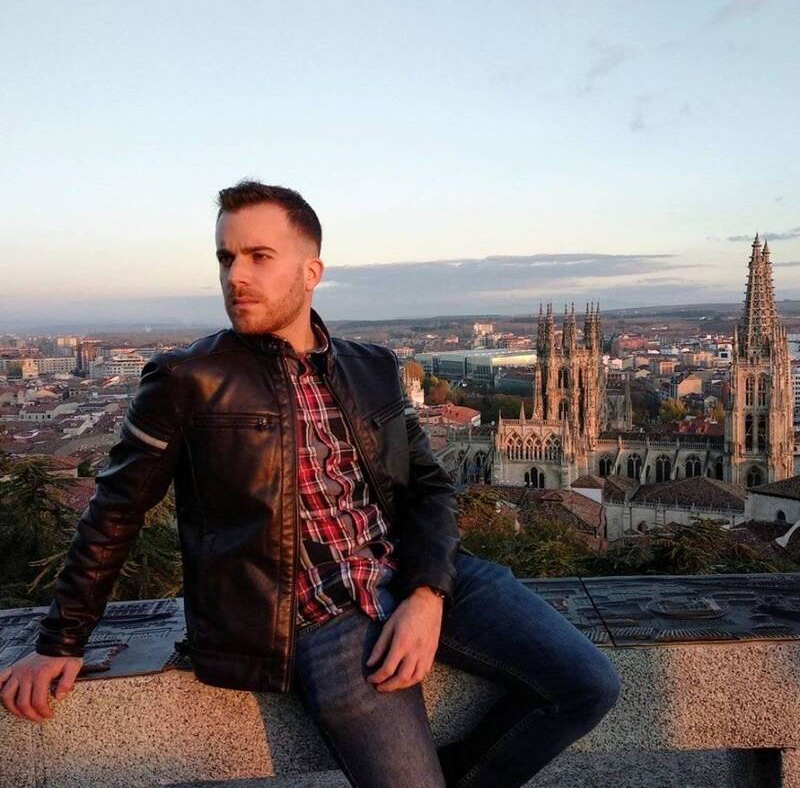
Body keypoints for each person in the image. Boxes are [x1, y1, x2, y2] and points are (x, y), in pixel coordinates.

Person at [0, 181, 620, 787]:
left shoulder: (372, 367)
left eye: (259, 256)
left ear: (311, 271)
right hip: (318, 614)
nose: (236, 276)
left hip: (416, 573)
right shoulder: (186, 378)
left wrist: (428, 592)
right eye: (226, 258)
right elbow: (116, 511)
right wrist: (60, 641)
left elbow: (428, 489)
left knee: (590, 684)